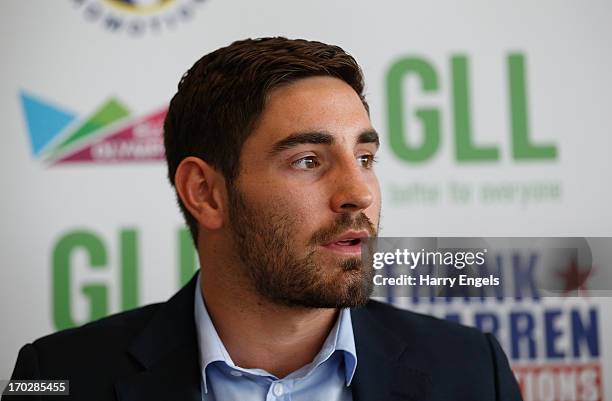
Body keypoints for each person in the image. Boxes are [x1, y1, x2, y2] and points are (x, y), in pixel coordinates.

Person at [4, 37, 522, 401]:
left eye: (365, 158)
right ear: (204, 192)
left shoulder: (473, 371)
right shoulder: (55, 378)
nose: (358, 192)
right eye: (308, 161)